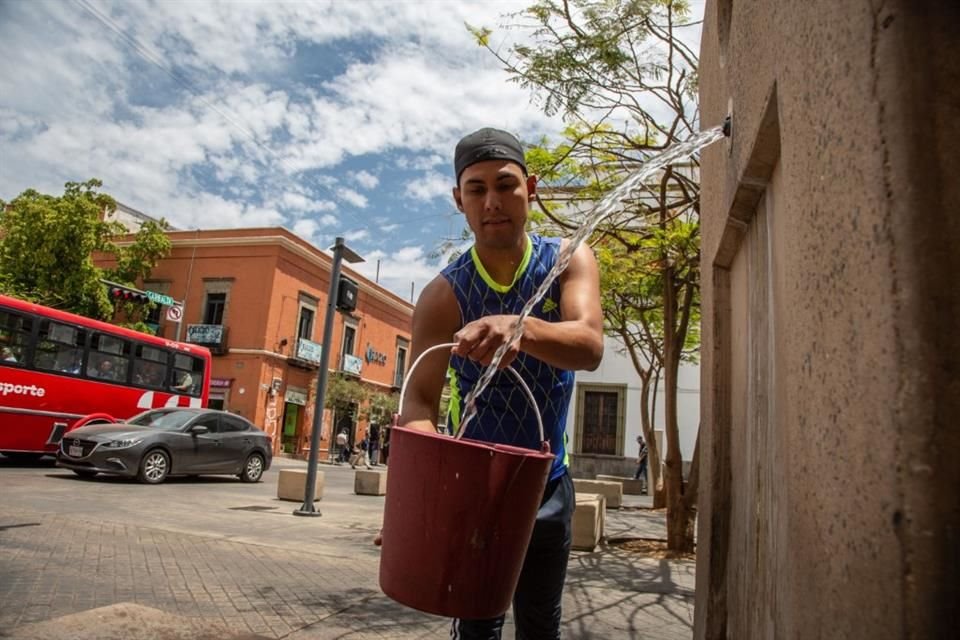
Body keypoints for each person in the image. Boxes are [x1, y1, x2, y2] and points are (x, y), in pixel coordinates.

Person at [391, 127, 604, 639]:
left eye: (506, 185)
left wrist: (521, 326)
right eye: (477, 189)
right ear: (459, 200)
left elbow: (589, 346)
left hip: (548, 483)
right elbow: (418, 399)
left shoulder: (566, 260)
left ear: (531, 188)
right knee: (477, 625)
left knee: (539, 625)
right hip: (473, 490)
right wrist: (419, 496)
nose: (493, 201)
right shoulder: (445, 294)